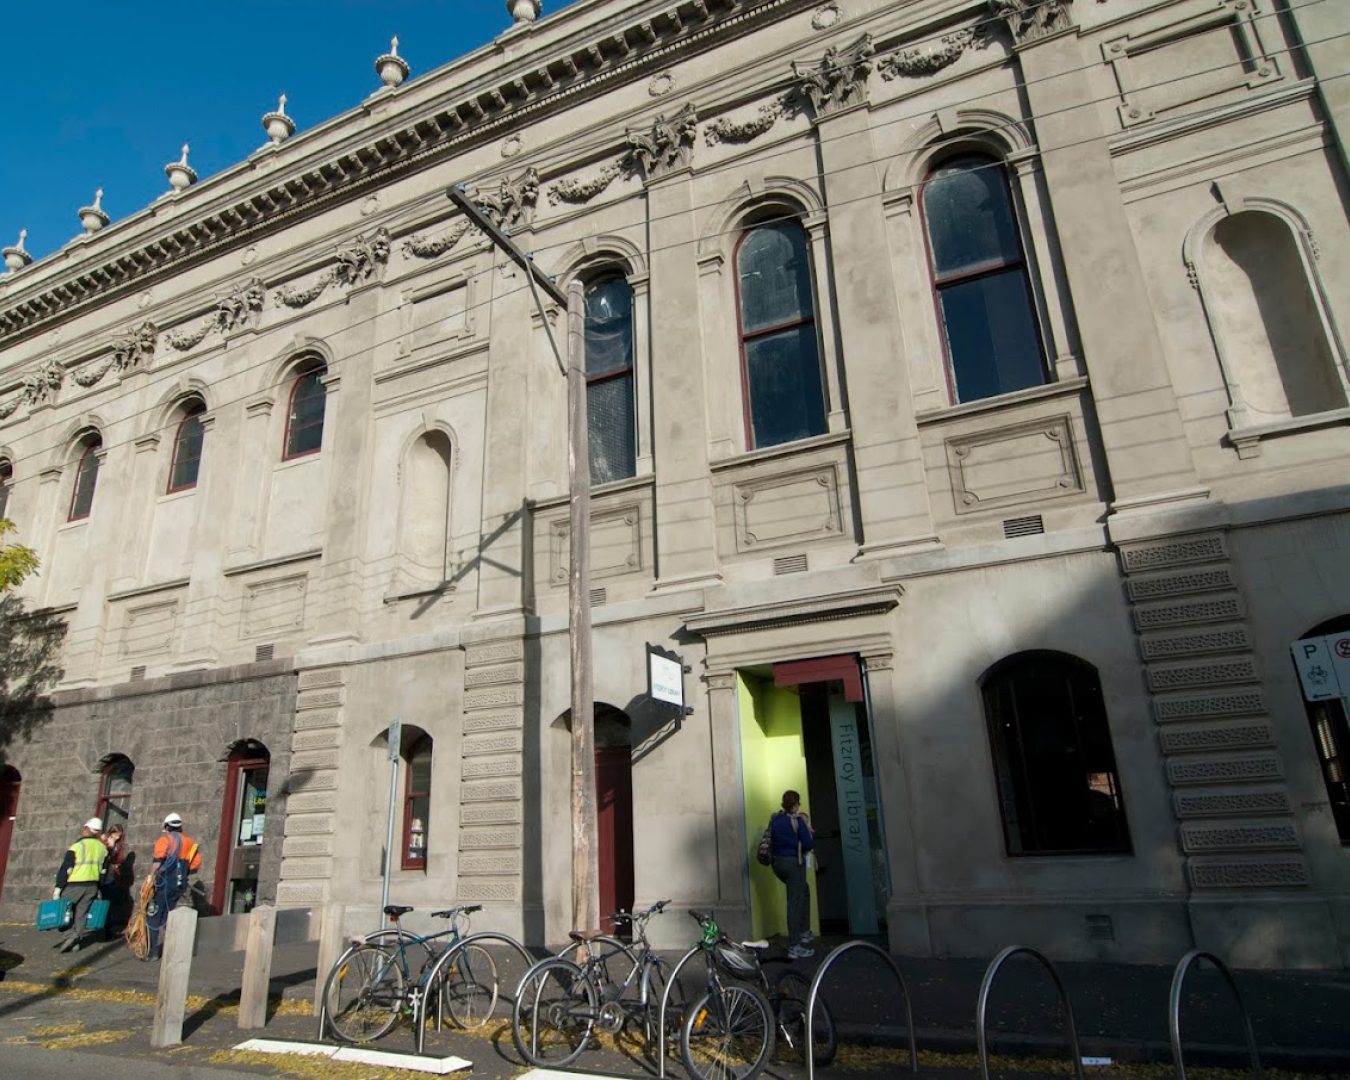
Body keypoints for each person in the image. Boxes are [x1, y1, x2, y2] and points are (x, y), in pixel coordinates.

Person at [146, 812, 202, 961]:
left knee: (154, 917)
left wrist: (150, 877)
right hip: (179, 885)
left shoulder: (165, 840)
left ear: (166, 826)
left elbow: (158, 861)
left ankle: (152, 953)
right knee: (168, 916)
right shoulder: (189, 842)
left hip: (163, 883)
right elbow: (196, 864)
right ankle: (176, 949)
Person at [769, 790, 816, 960]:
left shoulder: (776, 820)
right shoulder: (797, 821)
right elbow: (808, 844)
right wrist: (808, 832)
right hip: (793, 864)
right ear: (795, 804)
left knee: (804, 890)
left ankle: (804, 931)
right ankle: (795, 945)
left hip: (777, 864)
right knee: (794, 903)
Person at [53, 817, 108, 954]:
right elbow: (103, 871)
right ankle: (76, 943)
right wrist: (99, 887)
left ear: (87, 829)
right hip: (92, 886)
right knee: (81, 914)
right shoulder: (103, 849)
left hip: (75, 884)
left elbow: (66, 868)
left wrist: (59, 887)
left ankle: (71, 937)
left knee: (63, 912)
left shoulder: (77, 846)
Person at [100, 823, 132, 935]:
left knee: (110, 900)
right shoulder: (104, 839)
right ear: (112, 832)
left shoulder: (118, 845)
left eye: (119, 835)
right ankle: (102, 924)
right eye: (116, 834)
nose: (118, 837)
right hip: (102, 873)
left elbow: (120, 858)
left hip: (111, 874)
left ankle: (108, 927)